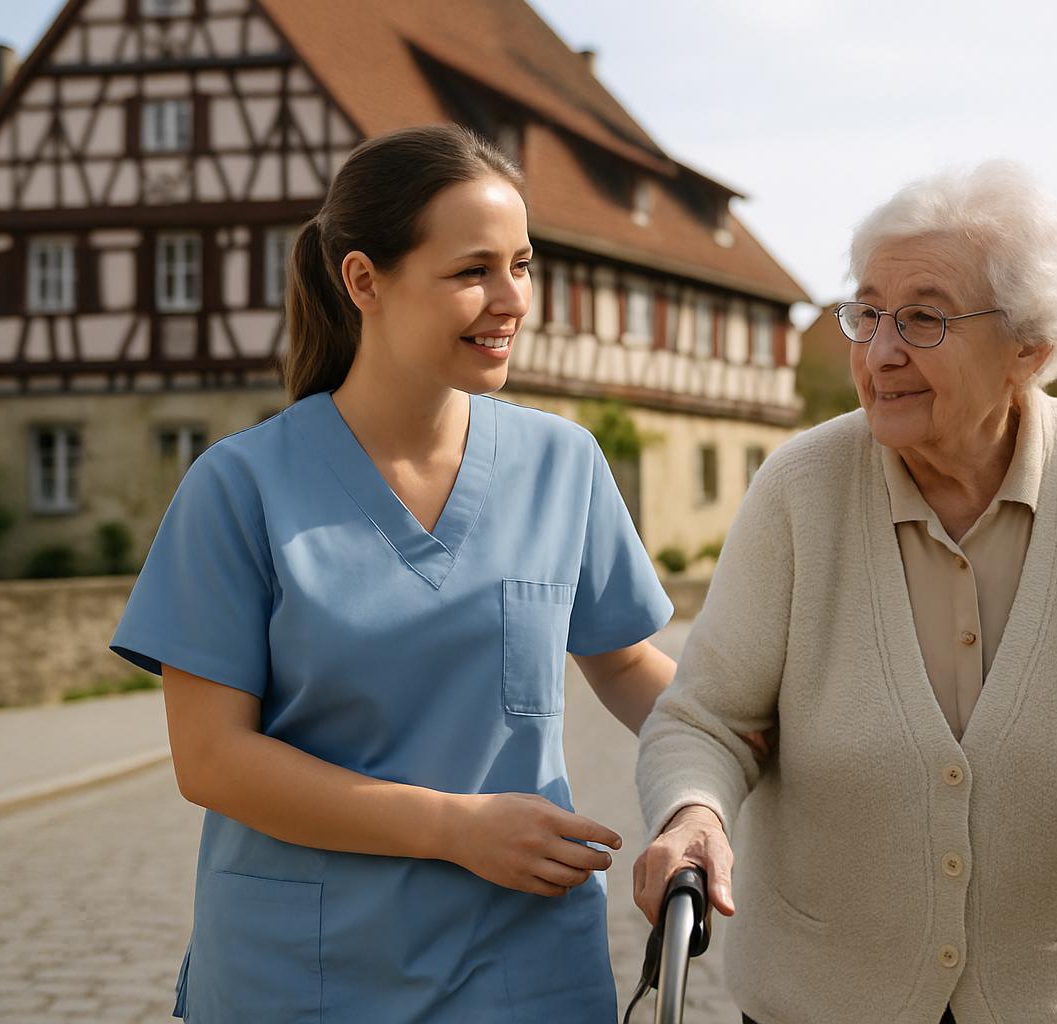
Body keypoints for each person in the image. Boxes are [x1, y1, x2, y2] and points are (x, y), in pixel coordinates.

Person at [633, 161, 1057, 1024]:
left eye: (924, 320)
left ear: (1030, 348)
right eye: (867, 315)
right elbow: (704, 718)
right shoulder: (801, 486)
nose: (881, 352)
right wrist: (693, 815)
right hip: (826, 994)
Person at [111, 124, 676, 1023]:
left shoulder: (563, 463)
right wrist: (453, 829)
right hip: (302, 976)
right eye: (471, 271)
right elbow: (212, 759)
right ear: (364, 280)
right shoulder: (240, 486)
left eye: (521, 265)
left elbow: (628, 664)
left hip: (524, 963)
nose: (510, 299)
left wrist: (741, 755)